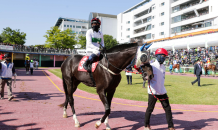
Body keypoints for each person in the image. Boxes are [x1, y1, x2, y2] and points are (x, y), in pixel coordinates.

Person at [144, 48, 175, 130]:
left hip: (162, 91)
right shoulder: (151, 66)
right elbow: (145, 76)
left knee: (168, 109)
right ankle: (146, 126)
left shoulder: (163, 67)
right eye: (163, 55)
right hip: (153, 91)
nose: (164, 57)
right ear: (157, 56)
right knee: (150, 109)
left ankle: (171, 126)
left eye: (165, 56)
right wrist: (146, 74)